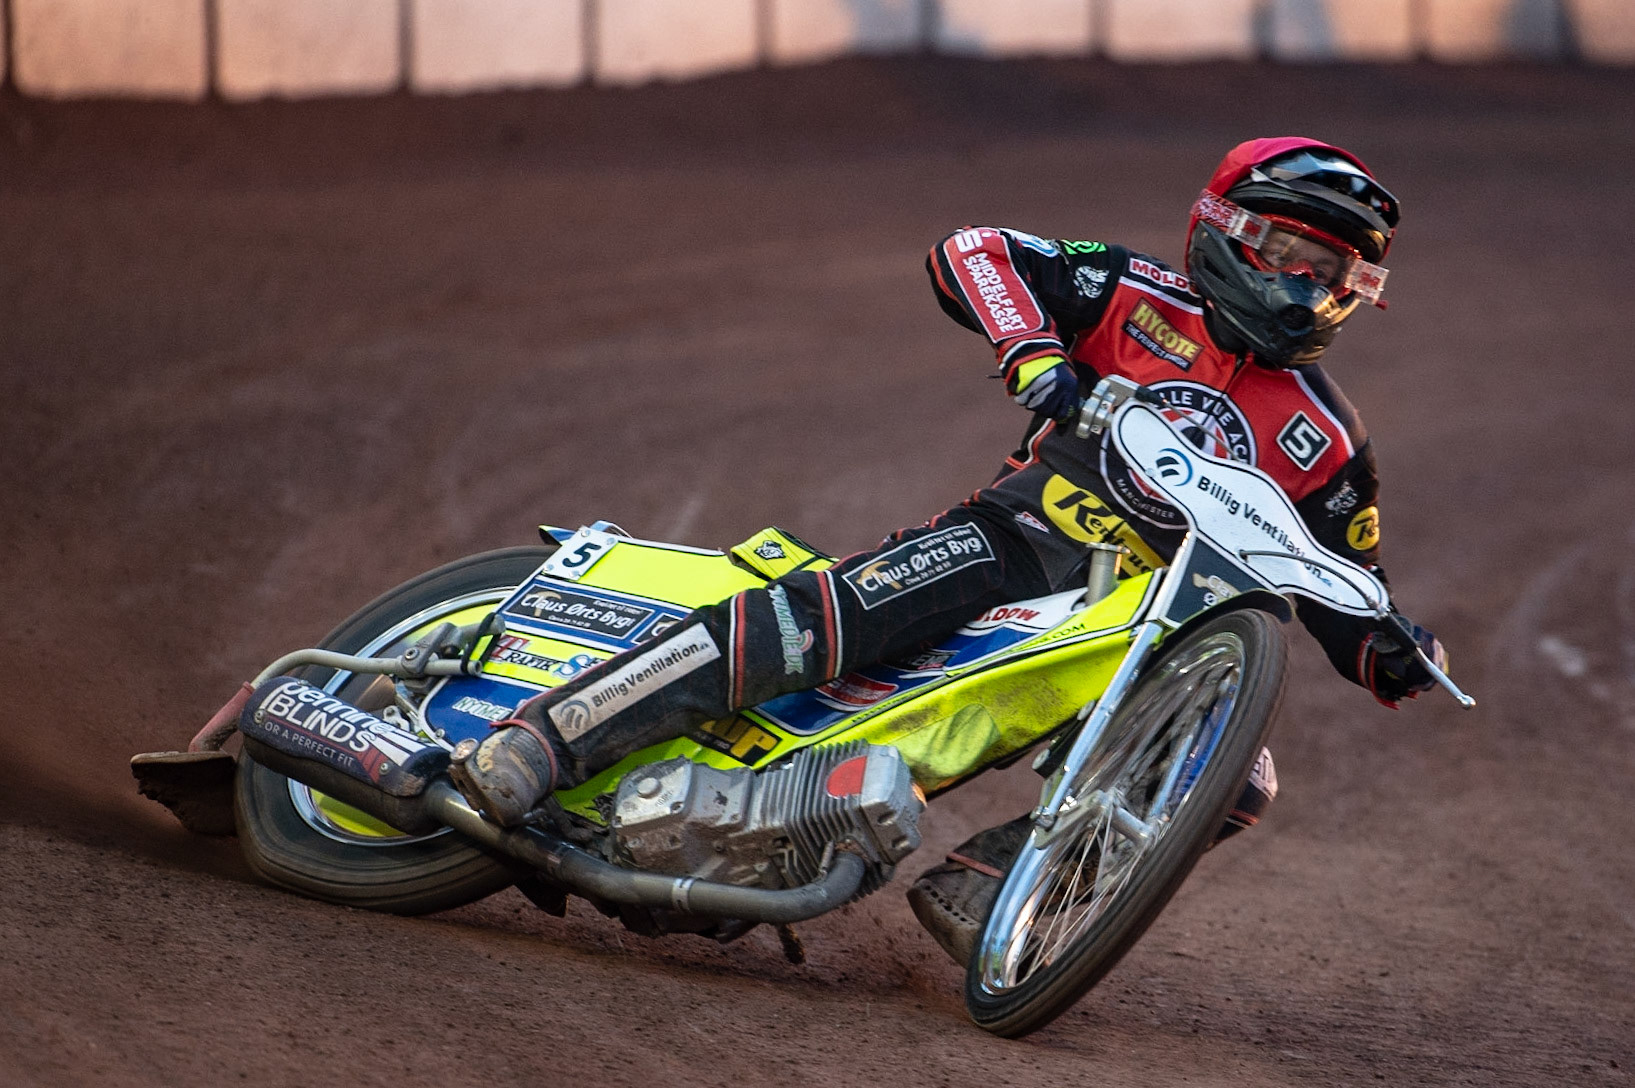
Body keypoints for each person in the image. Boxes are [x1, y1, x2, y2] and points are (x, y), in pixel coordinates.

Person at [450, 136, 1447, 963]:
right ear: (1225, 233)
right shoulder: (1135, 293)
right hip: (1014, 539)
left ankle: (987, 889)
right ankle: (547, 737)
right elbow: (973, 248)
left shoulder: (1329, 435)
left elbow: (1345, 586)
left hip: (1129, 630)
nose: (1304, 286)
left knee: (1236, 775)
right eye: (1287, 252)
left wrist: (1398, 649)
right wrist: (1037, 357)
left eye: (1331, 272)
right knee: (830, 621)